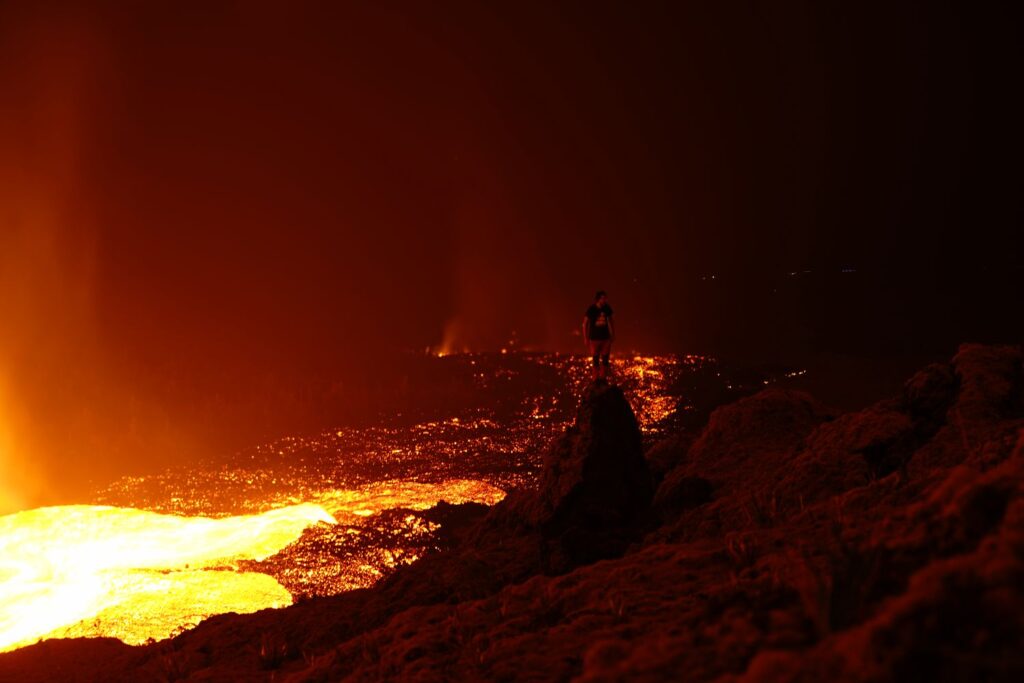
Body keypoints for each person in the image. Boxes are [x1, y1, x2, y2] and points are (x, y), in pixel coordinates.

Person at [583, 290, 614, 381]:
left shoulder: (607, 308)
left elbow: (611, 321)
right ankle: (595, 378)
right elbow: (585, 323)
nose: (604, 300)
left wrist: (612, 334)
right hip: (594, 338)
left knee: (605, 359)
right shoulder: (591, 309)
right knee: (595, 359)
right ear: (598, 299)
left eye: (605, 298)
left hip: (605, 338)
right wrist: (586, 338)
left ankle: (603, 378)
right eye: (603, 298)